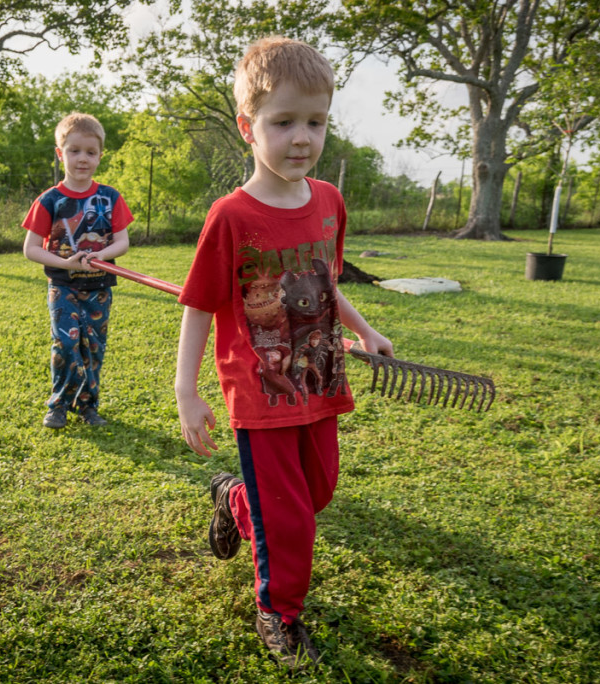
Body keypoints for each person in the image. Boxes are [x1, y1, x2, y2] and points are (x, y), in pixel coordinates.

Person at [174, 37, 393, 670]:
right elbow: (197, 307)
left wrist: (365, 329)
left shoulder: (328, 201)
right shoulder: (231, 216)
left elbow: (323, 282)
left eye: (316, 122)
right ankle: (281, 611)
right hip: (260, 391)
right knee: (292, 521)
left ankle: (235, 500)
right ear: (248, 127)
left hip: (321, 377)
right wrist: (188, 392)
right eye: (284, 122)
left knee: (317, 490)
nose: (302, 137)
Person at [22, 112, 133, 429]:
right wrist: (67, 263)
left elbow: (122, 243)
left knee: (93, 348)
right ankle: (58, 404)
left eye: (90, 152)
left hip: (99, 288)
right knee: (67, 343)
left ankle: (88, 407)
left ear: (100, 155)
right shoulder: (50, 200)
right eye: (74, 151)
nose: (82, 158)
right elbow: (31, 248)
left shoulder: (109, 198)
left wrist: (98, 255)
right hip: (63, 287)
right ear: (60, 153)